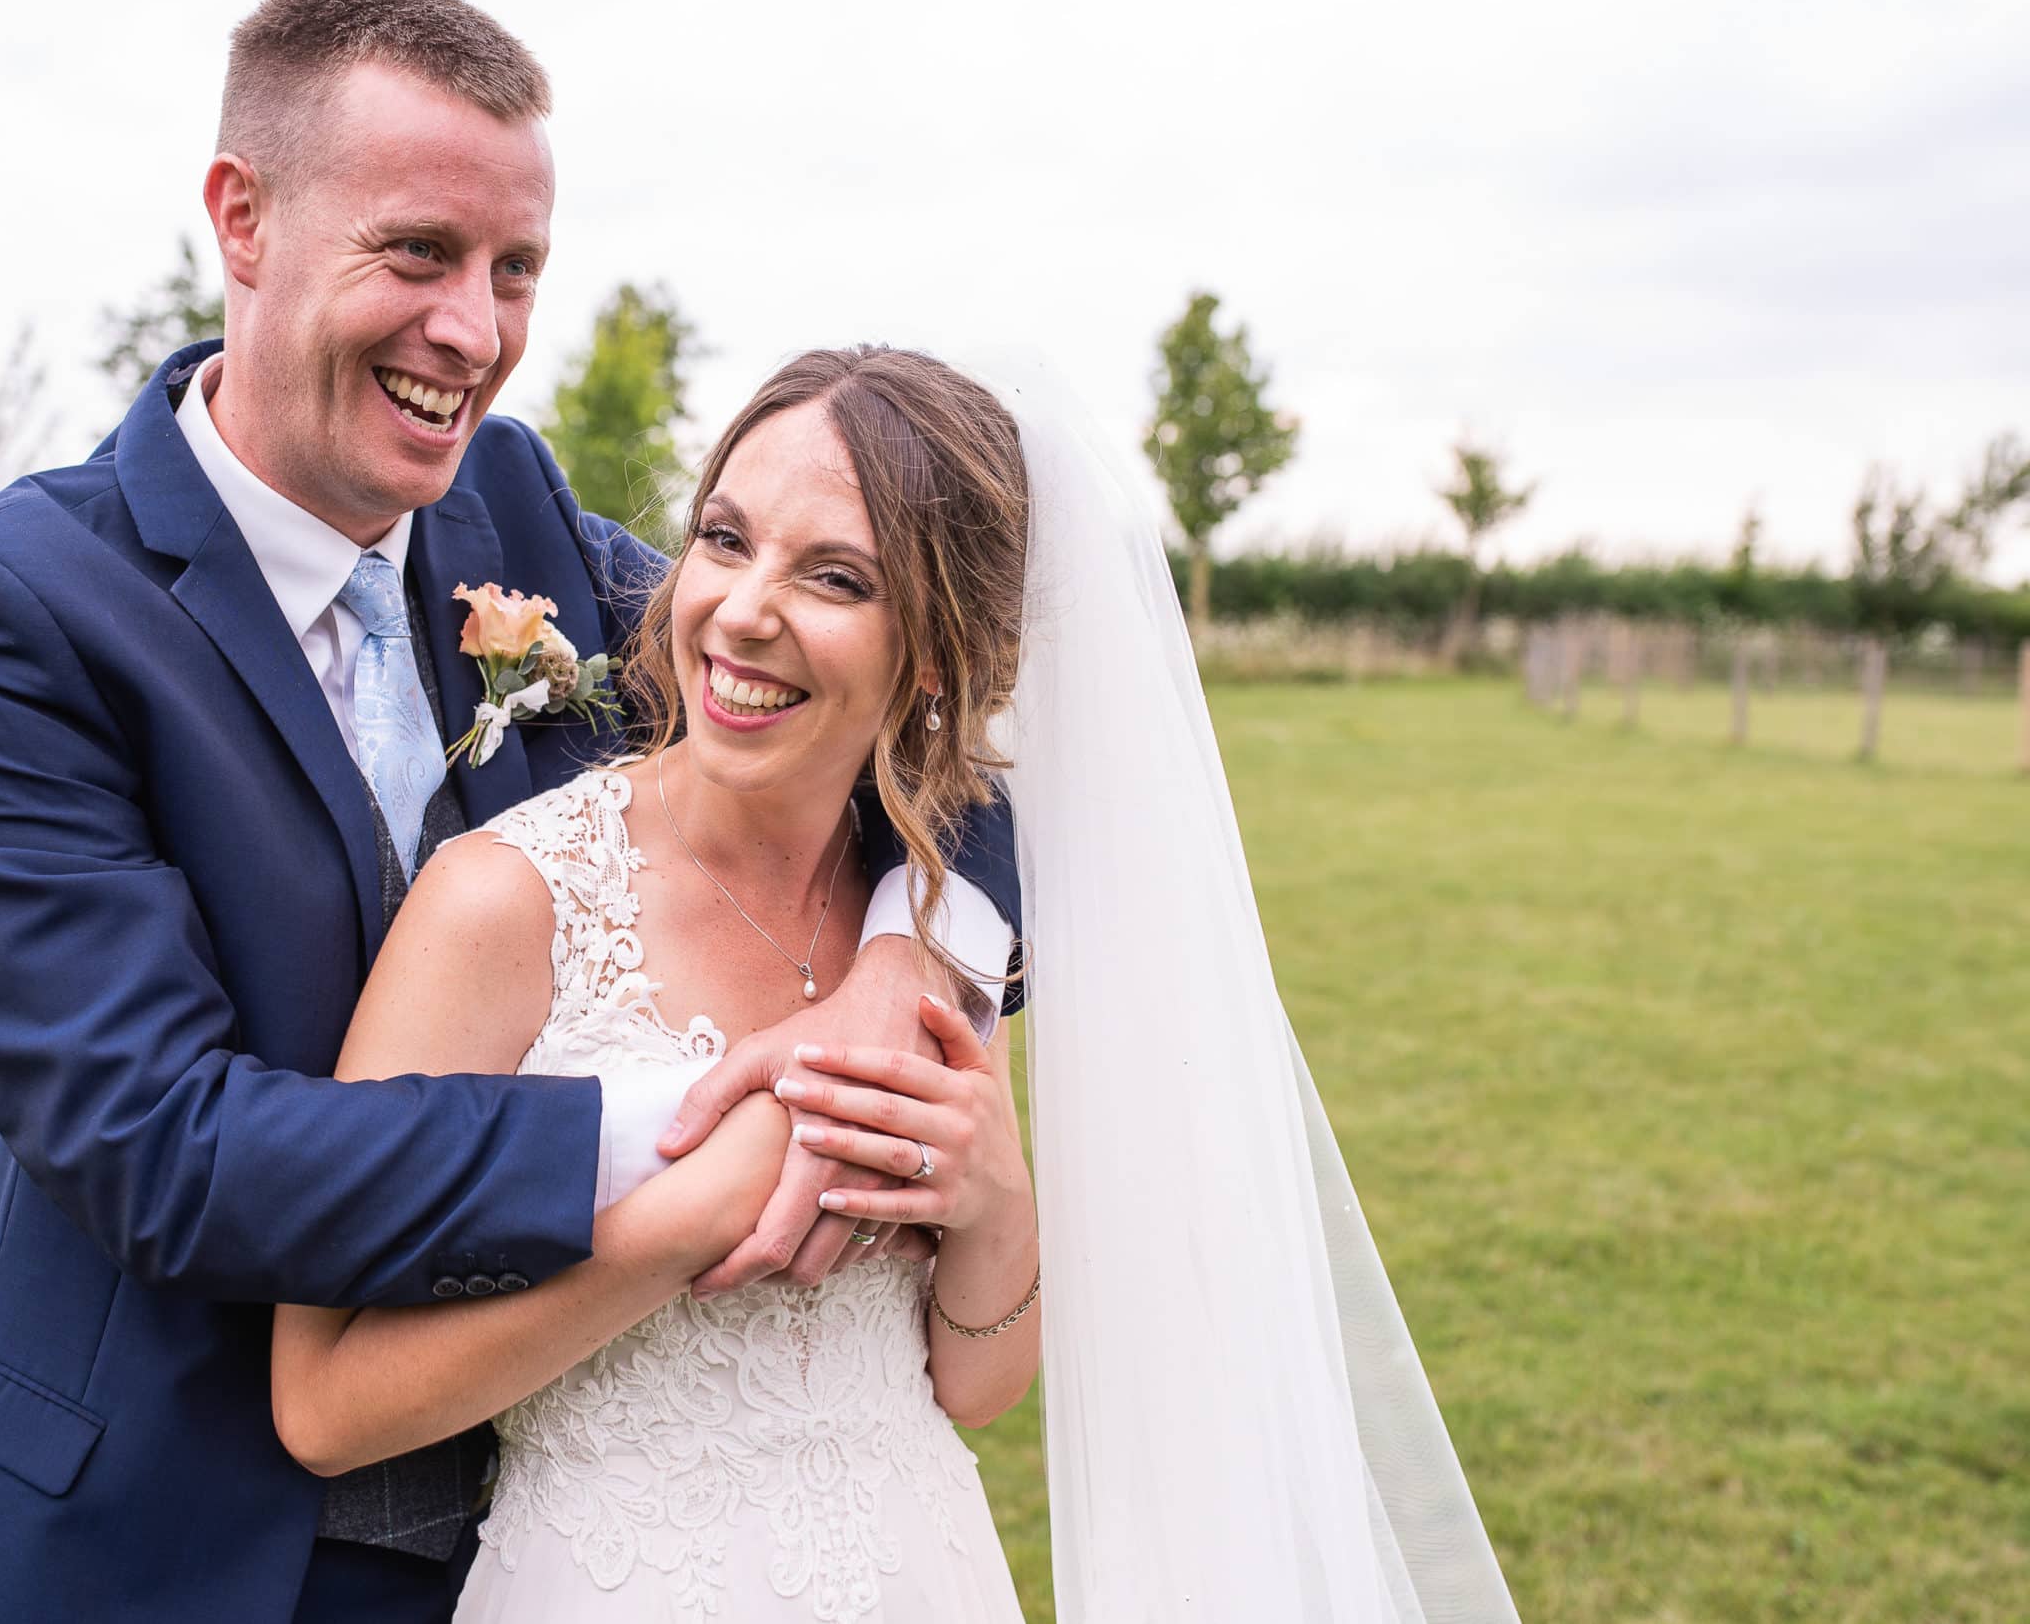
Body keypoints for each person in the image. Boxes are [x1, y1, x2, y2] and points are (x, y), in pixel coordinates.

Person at [0, 0, 1020, 1624]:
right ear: (241, 219)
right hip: (162, 1538)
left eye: (514, 268)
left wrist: (911, 951)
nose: (472, 329)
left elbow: (883, 703)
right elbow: (167, 1147)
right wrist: (684, 1123)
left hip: (541, 1528)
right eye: (416, 252)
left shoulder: (517, 509)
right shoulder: (0, 613)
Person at [272, 346, 1525, 1623]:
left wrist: (987, 1203)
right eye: (723, 537)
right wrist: (681, 1224)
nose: (744, 608)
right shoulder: (504, 902)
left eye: (836, 576)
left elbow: (972, 1383)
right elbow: (320, 1405)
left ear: (936, 655)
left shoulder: (929, 917)